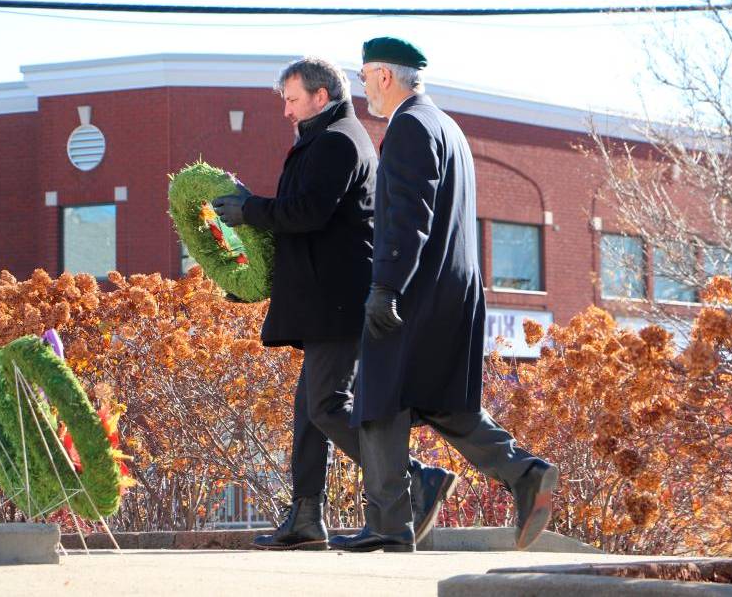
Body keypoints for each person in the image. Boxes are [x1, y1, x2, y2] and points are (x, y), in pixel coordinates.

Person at [211, 57, 456, 550]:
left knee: (326, 404)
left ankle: (414, 479)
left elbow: (307, 212)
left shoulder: (339, 141)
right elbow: (302, 226)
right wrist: (252, 276)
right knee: (309, 412)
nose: (285, 110)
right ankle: (306, 517)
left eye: (292, 99)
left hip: (339, 302)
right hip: (323, 300)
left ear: (321, 96)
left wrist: (249, 209)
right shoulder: (321, 139)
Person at [329, 39, 559, 554]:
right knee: (440, 402)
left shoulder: (408, 126)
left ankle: (389, 521)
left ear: (386, 76)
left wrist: (385, 285)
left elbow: (411, 216)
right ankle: (525, 473)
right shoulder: (446, 125)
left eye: (366, 76)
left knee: (378, 399)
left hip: (413, 290)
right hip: (451, 289)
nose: (364, 85)